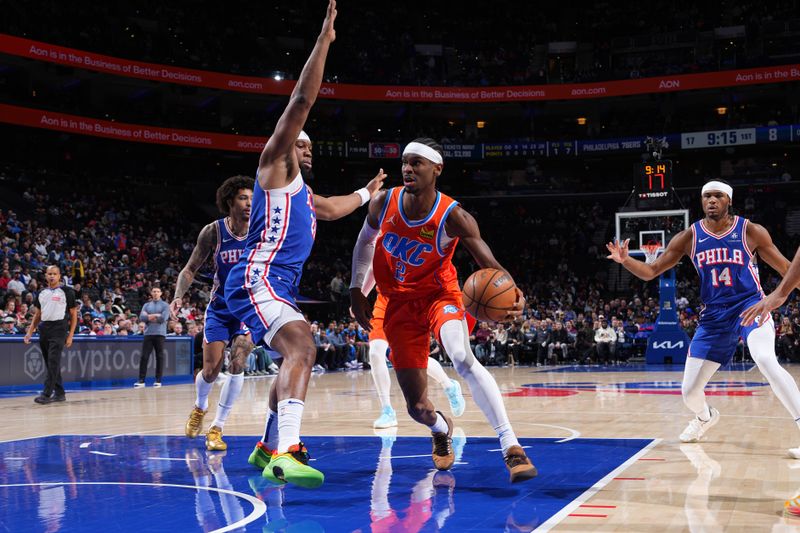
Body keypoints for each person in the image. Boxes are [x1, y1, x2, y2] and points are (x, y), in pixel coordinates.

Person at [225, 0, 384, 489]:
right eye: (302, 143)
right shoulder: (274, 165)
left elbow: (333, 209)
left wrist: (366, 193)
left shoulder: (305, 197)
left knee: (289, 361)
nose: (307, 148)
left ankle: (265, 447)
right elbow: (300, 103)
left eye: (311, 146)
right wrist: (323, 43)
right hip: (258, 276)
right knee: (303, 346)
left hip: (275, 285)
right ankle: (287, 452)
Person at [350, 138, 537, 483]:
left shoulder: (454, 216)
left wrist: (515, 295)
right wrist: (355, 289)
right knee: (416, 408)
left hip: (441, 297)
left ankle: (511, 445)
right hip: (397, 306)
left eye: (417, 163)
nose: (408, 168)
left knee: (462, 358)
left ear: (437, 168)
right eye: (405, 162)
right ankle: (440, 427)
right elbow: (364, 243)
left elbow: (492, 266)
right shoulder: (382, 202)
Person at [607, 179, 800, 448]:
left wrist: (776, 295)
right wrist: (626, 260)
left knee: (766, 360)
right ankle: (705, 417)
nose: (711, 200)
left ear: (728, 200)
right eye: (706, 196)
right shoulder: (689, 237)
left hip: (748, 306)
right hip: (713, 318)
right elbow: (651, 272)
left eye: (717, 196)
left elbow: (788, 270)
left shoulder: (751, 231)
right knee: (689, 393)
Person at [174, 175, 256, 451]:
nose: (249, 203)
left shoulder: (262, 230)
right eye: (243, 198)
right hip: (220, 308)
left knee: (239, 360)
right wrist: (177, 297)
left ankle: (217, 427)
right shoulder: (213, 232)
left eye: (252, 199)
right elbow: (190, 269)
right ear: (229, 201)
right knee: (211, 371)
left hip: (248, 306)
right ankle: (200, 407)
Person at [355, 269, 467, 428]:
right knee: (375, 352)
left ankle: (448, 384)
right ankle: (387, 410)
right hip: (384, 301)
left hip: (409, 301)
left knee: (413, 359)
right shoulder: (377, 244)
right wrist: (360, 295)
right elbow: (374, 269)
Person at [24, 265, 79, 404]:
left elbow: (73, 314)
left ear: (59, 276)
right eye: (49, 274)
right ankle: (60, 393)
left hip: (59, 328)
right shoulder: (41, 293)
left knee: (53, 361)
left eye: (55, 274)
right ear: (46, 275)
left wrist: (70, 334)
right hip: (44, 328)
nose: (52, 276)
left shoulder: (67, 291)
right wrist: (30, 332)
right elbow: (37, 315)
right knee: (51, 364)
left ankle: (46, 394)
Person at [135, 286, 170, 388]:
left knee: (159, 357)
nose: (155, 293)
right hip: (148, 333)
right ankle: (141, 380)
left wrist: (149, 316)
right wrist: (156, 315)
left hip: (160, 333)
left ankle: (158, 380)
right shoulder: (146, 305)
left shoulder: (165, 305)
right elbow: (142, 318)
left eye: (157, 291)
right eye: (154, 291)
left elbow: (163, 318)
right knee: (144, 357)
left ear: (161, 293)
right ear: (151, 293)